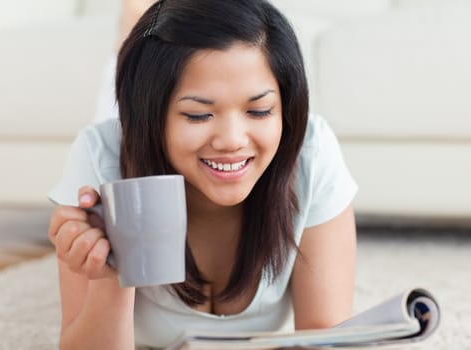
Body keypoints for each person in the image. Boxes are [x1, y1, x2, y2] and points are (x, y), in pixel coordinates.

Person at [48, 0, 358, 349]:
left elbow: (325, 336)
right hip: (136, 144)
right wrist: (108, 275)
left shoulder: (310, 152)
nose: (231, 141)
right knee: (123, 78)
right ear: (152, 118)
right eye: (198, 115)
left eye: (259, 110)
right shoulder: (99, 159)